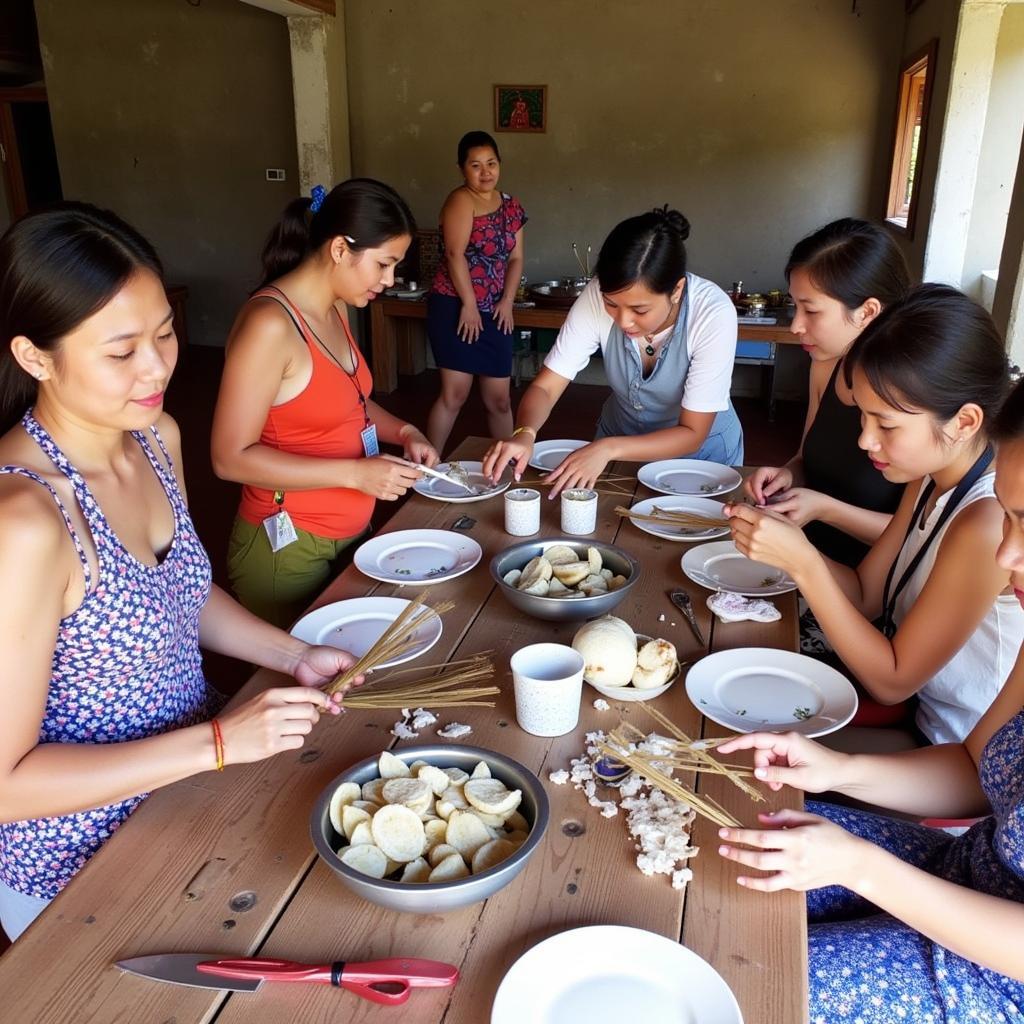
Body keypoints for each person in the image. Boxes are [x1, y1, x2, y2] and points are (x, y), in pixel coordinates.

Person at [0, 203, 360, 942]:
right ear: (35, 357)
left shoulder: (155, 436)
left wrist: (296, 656)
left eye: (164, 333)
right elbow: (7, 787)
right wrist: (223, 743)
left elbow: (181, 597)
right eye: (121, 350)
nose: (160, 366)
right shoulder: (24, 521)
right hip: (81, 863)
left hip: (189, 791)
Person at [714, 375, 1024, 1016]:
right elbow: (974, 766)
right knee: (723, 842)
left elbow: (891, 677)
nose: (1009, 553)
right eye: (1014, 517)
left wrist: (859, 866)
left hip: (999, 977)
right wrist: (836, 768)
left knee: (744, 981)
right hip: (964, 869)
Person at [727, 285, 1022, 744]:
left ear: (964, 422)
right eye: (864, 418)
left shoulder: (985, 521)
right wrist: (786, 543)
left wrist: (803, 564)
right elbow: (867, 594)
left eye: (885, 423)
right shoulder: (927, 476)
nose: (866, 440)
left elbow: (892, 681)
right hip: (906, 713)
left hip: (945, 748)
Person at [212, 179, 439, 628]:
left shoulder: (333, 307)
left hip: (350, 531)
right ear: (339, 249)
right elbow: (229, 458)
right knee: (301, 682)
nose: (389, 280)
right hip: (289, 547)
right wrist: (355, 474)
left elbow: (349, 401)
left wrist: (405, 432)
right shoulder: (271, 326)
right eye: (383, 264)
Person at [482, 206, 743, 497]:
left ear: (677, 290)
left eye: (640, 309)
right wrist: (525, 433)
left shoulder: (712, 313)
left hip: (698, 458)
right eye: (612, 305)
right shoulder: (596, 294)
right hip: (614, 448)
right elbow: (546, 386)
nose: (623, 320)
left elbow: (693, 433)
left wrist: (607, 448)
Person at [744, 219, 911, 567]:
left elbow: (915, 538)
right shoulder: (826, 366)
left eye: (812, 310)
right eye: (795, 306)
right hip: (800, 560)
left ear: (867, 312)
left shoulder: (914, 400)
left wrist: (824, 508)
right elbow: (806, 457)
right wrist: (787, 476)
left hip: (860, 584)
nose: (795, 326)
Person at [425, 131, 527, 454]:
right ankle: (427, 465)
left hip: (496, 309)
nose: (485, 172)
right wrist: (468, 304)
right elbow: (455, 254)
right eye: (476, 165)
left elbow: (516, 258)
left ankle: (508, 465)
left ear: (500, 164)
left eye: (491, 164)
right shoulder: (460, 200)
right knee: (454, 394)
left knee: (499, 399)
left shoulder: (512, 206)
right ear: (462, 169)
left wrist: (508, 301)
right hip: (456, 304)